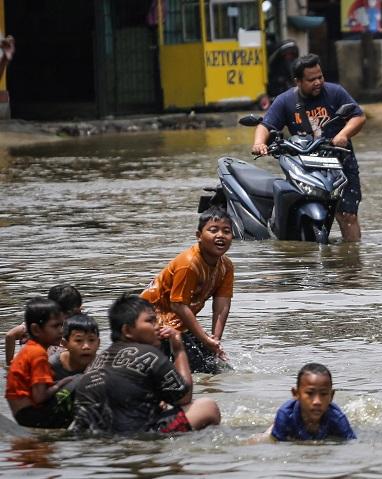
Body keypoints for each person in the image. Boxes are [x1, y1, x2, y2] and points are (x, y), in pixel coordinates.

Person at [252, 53, 366, 242]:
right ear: (298, 81)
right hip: (306, 166)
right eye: (311, 79)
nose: (318, 82)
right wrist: (259, 143)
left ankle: (351, 260)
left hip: (341, 164)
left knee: (347, 216)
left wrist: (343, 134)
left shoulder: (335, 92)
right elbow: (266, 125)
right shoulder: (285, 101)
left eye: (320, 77)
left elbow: (358, 116)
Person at [71, 295, 221, 434]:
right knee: (207, 407)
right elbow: (184, 397)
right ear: (127, 330)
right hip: (137, 435)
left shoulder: (97, 361)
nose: (157, 326)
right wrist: (178, 349)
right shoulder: (149, 355)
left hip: (96, 439)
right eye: (150, 321)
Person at [141, 206, 234, 374]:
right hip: (151, 320)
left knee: (213, 368)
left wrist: (214, 340)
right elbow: (178, 305)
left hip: (179, 323)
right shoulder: (189, 264)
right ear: (199, 236)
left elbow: (222, 304)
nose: (220, 235)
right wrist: (204, 339)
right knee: (184, 371)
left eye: (226, 231)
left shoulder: (226, 266)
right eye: (213, 230)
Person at [5, 298, 74, 428]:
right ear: (36, 330)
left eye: (61, 325)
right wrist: (62, 383)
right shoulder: (38, 354)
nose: (61, 331)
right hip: (30, 414)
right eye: (55, 326)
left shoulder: (30, 348)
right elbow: (39, 397)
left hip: (20, 412)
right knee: (77, 383)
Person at [260, 363, 356, 441]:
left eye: (323, 394)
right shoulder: (285, 415)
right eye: (310, 393)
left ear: (331, 396)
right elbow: (277, 445)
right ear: (296, 394)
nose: (317, 401)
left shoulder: (337, 418)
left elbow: (351, 444)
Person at [5, 284, 83, 366]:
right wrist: (9, 365)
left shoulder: (74, 322)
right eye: (71, 313)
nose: (76, 315)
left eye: (78, 311)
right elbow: (10, 335)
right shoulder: (40, 324)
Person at [49, 313, 100, 381]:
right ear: (65, 343)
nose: (86, 346)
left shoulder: (103, 366)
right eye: (79, 340)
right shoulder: (52, 365)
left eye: (91, 340)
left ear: (99, 343)